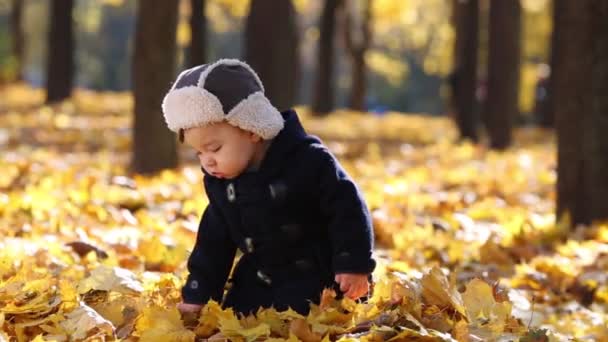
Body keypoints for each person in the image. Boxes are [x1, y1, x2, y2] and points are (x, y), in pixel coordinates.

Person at [161, 59, 376, 316]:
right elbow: (213, 245)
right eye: (198, 153)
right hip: (261, 280)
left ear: (252, 128)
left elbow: (348, 210)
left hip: (321, 279)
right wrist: (199, 294)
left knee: (316, 317)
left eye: (215, 148)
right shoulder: (223, 185)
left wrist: (353, 264)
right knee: (238, 318)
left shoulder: (309, 160)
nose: (207, 161)